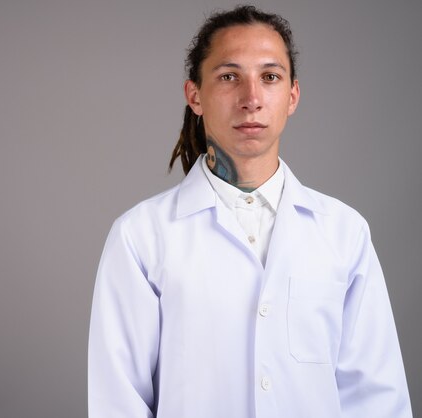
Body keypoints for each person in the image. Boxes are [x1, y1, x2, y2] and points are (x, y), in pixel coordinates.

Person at [87, 5, 413, 418]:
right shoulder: (141, 237)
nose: (252, 99)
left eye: (270, 77)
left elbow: (377, 398)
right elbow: (119, 402)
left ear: (292, 95)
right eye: (229, 77)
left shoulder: (344, 233)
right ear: (195, 95)